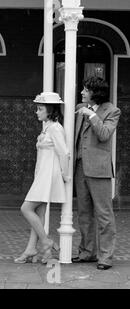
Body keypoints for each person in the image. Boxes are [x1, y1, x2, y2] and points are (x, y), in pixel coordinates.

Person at [72, 77, 121, 270]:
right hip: (79, 167)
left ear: (95, 92)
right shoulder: (79, 107)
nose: (82, 93)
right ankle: (87, 252)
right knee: (84, 213)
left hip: (99, 169)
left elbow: (104, 134)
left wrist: (91, 116)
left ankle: (106, 257)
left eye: (86, 90)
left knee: (104, 214)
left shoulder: (112, 110)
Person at [15, 92, 68, 264]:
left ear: (50, 110)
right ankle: (35, 250)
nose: (36, 112)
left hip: (48, 174)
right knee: (40, 212)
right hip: (42, 174)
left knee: (26, 208)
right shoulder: (47, 127)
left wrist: (65, 175)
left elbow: (64, 152)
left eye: (40, 109)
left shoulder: (55, 128)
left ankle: (46, 242)